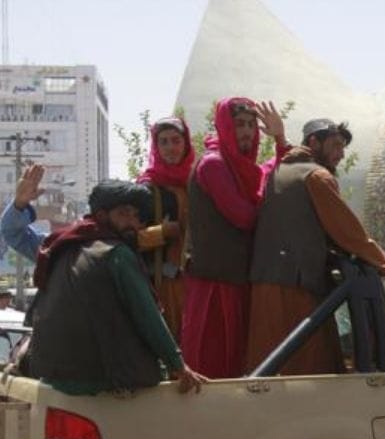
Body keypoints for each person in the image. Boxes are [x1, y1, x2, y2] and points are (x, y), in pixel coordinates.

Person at [246, 118, 385, 375]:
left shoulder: (281, 170)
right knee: (309, 371)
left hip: (266, 283)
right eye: (335, 145)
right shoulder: (317, 176)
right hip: (296, 289)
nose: (340, 154)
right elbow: (347, 232)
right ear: (314, 142)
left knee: (268, 371)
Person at [25, 180, 206, 396]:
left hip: (52, 378)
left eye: (136, 216)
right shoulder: (116, 253)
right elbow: (147, 316)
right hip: (102, 381)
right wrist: (178, 366)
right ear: (102, 216)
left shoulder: (62, 248)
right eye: (123, 214)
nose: (133, 223)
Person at [181, 98, 288, 379]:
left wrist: (280, 138)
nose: (247, 132)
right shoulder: (214, 165)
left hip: (236, 280)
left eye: (251, 125)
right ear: (225, 126)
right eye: (239, 124)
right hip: (215, 288)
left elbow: (269, 172)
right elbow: (245, 217)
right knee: (213, 367)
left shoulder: (240, 167)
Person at [135, 116, 197, 340]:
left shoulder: (198, 182)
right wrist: (160, 233)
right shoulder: (146, 189)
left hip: (196, 284)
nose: (171, 147)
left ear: (186, 143)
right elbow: (127, 239)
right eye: (164, 142)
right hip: (161, 287)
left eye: (176, 140)